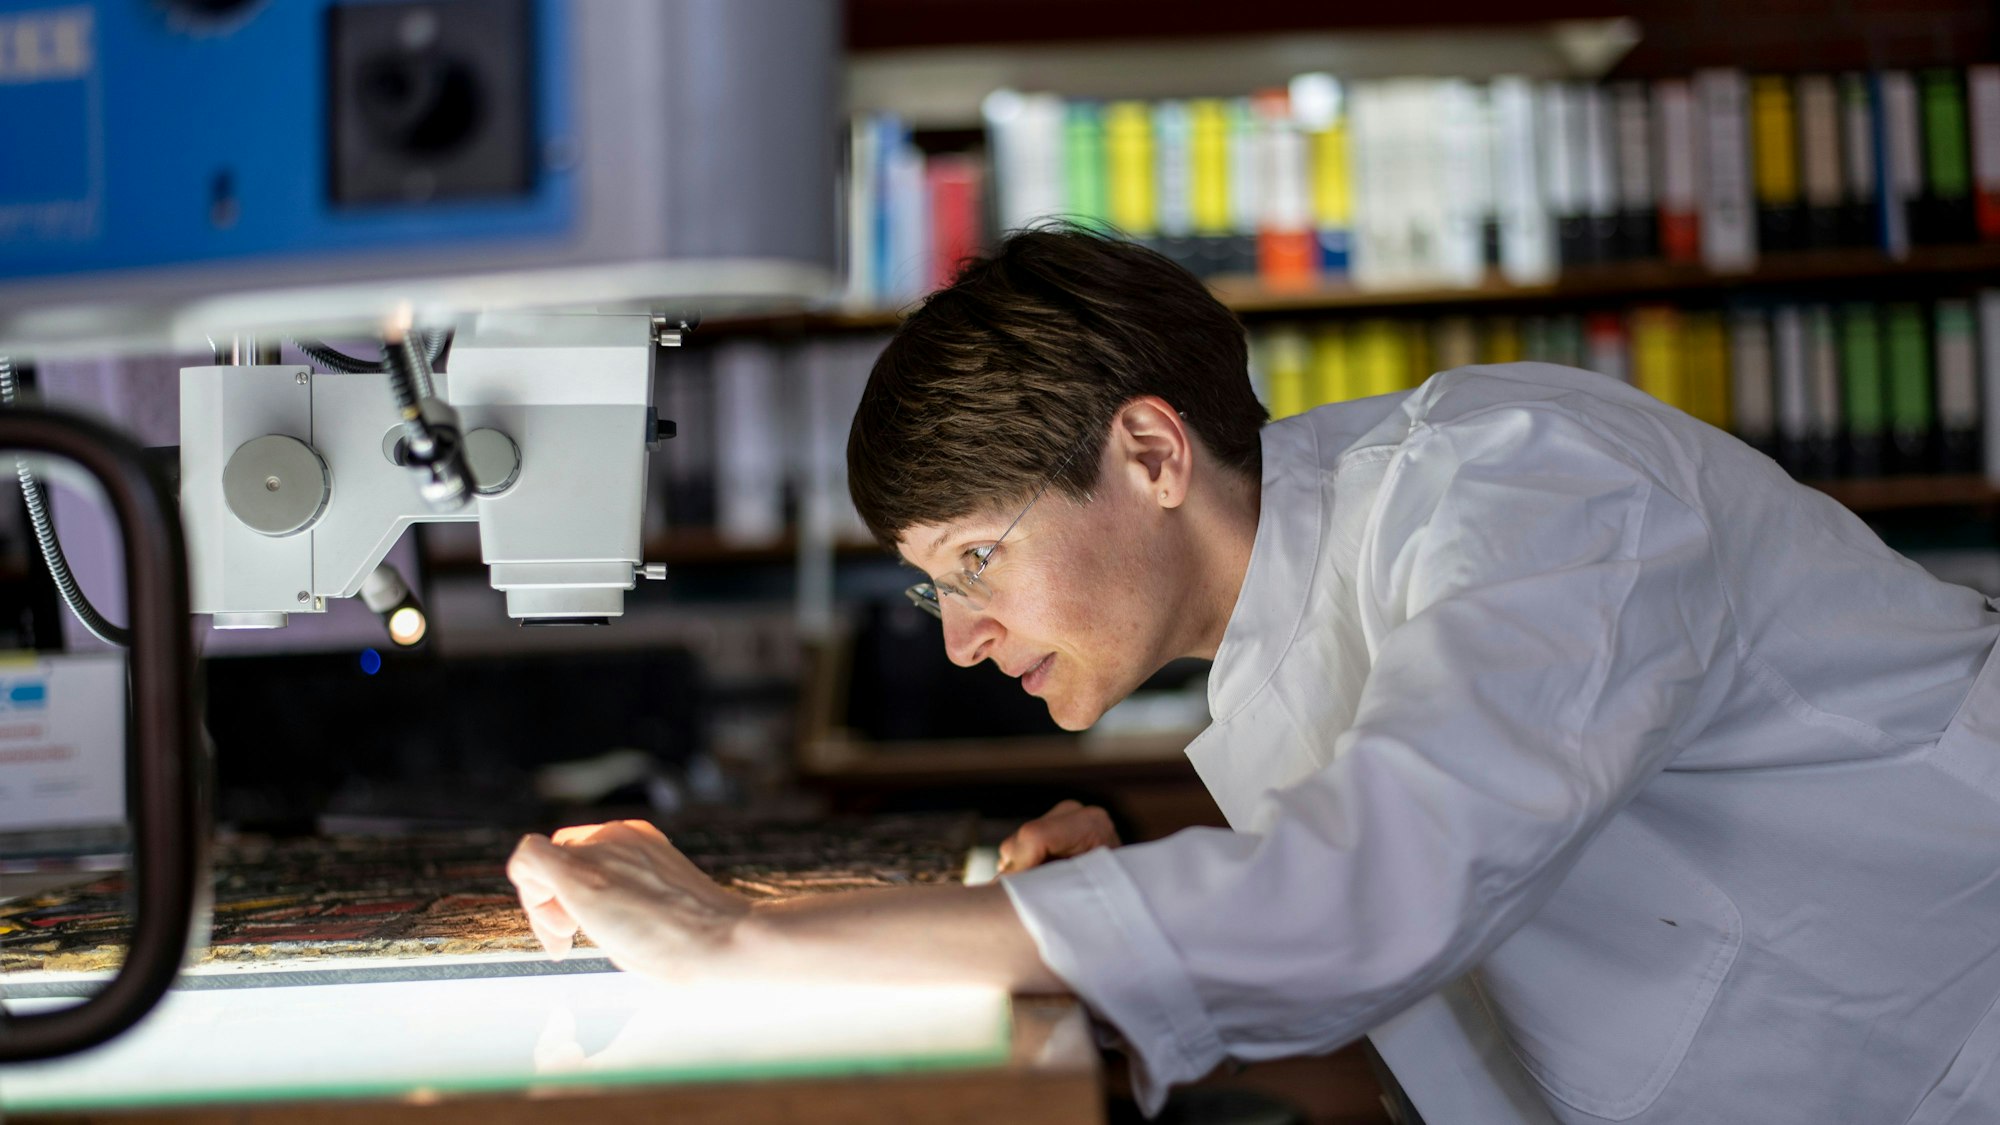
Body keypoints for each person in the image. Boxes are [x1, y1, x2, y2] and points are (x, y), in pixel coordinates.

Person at [509, 227, 2000, 1124]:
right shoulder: (1283, 656)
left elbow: (1362, 902)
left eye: (977, 558)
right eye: (932, 583)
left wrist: (737, 946)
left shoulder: (1533, 494)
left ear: (1151, 453)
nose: (959, 635)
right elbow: (1430, 1001)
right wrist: (1092, 930)